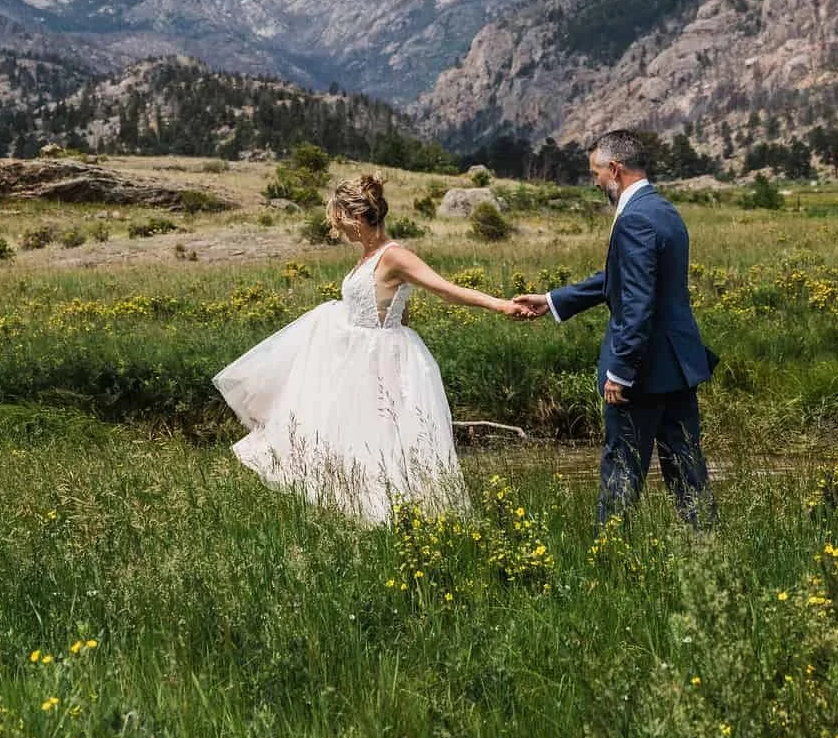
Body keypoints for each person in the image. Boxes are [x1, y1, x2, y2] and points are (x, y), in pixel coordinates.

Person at [212, 173, 520, 525]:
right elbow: (395, 307)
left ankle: (396, 520)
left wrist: (500, 305)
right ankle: (368, 520)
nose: (337, 228)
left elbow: (445, 289)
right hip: (353, 358)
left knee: (386, 443)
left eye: (339, 219)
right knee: (350, 442)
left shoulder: (395, 256)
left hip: (381, 360)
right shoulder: (366, 256)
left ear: (357, 217)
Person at [512, 129, 717, 525]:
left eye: (596, 174)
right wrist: (555, 300)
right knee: (687, 467)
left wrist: (620, 371)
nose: (596, 183)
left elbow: (638, 303)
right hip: (677, 367)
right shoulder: (665, 211)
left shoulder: (634, 220)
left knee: (622, 467)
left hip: (641, 373)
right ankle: (706, 547)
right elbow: (618, 278)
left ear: (615, 168)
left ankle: (610, 556)